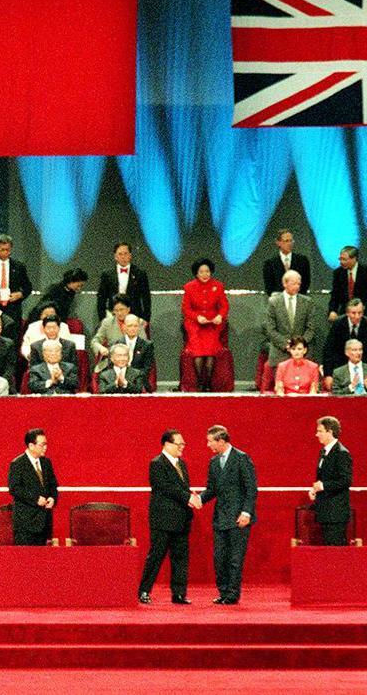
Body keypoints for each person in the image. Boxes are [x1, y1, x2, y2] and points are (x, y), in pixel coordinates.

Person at [138, 429, 198, 605]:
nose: (182, 447)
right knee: (156, 556)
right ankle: (143, 590)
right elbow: (166, 488)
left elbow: (182, 488)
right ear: (166, 444)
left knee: (180, 558)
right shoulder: (157, 463)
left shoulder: (182, 464)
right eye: (178, 444)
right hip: (163, 520)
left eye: (183, 444)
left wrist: (191, 496)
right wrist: (189, 497)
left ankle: (178, 594)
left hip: (181, 519)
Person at [199, 425, 257, 605]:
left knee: (235, 558)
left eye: (210, 441)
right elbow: (212, 490)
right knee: (219, 558)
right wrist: (198, 499)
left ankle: (232, 594)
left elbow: (251, 489)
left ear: (221, 441)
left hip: (239, 518)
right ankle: (223, 592)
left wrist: (246, 512)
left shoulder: (242, 458)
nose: (208, 445)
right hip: (220, 518)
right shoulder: (213, 462)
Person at [182, 259, 229, 392]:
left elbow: (224, 305)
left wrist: (220, 316)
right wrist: (197, 317)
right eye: (201, 272)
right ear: (196, 273)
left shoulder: (218, 286)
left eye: (207, 271)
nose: (205, 274)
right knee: (198, 353)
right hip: (195, 324)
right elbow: (186, 309)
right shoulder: (189, 287)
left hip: (212, 324)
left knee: (210, 353)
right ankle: (199, 383)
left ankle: (207, 384)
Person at [7, 428, 59, 546]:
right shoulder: (17, 464)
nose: (45, 447)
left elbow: (53, 484)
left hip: (44, 522)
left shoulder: (46, 462)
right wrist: (35, 499)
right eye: (42, 445)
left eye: (46, 444)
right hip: (25, 524)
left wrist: (52, 497)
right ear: (31, 445)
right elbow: (14, 488)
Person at [309, 416, 352, 545]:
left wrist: (323, 486)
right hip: (326, 513)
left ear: (330, 432)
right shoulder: (324, 452)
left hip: (335, 515)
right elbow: (324, 478)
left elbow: (346, 481)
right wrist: (315, 490)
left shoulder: (341, 453)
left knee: (335, 554)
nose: (317, 435)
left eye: (320, 431)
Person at [322, 298, 367, 390]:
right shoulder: (338, 324)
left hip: (363, 368)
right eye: (353, 313)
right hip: (340, 369)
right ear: (347, 313)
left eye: (360, 313)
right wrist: (328, 374)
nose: (357, 316)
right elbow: (329, 351)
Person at [264, 270, 316, 370]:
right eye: (294, 284)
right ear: (284, 283)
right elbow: (270, 329)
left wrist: (299, 346)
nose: (297, 287)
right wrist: (286, 344)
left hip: (303, 356)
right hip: (280, 354)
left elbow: (311, 328)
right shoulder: (273, 302)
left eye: (299, 284)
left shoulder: (308, 302)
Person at [0, 234, 33, 321]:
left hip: (13, 308)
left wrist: (20, 294)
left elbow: (28, 287)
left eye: (7, 250)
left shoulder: (19, 266)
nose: (5, 252)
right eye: (2, 249)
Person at [327, 246, 367, 330]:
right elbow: (335, 295)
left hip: (364, 314)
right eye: (340, 259)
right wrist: (332, 310)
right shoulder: (338, 273)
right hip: (345, 315)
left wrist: (359, 312)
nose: (341, 262)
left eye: (344, 259)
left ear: (354, 259)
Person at [91, 294, 148, 373]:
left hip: (134, 363)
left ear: (128, 309)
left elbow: (143, 344)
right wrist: (100, 348)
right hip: (112, 363)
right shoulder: (107, 323)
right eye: (116, 310)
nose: (119, 313)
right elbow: (95, 341)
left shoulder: (137, 321)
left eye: (122, 309)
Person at [97, 242, 151, 323]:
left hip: (135, 316)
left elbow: (146, 297)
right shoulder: (107, 275)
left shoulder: (140, 274)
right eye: (120, 254)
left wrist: (146, 318)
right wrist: (102, 318)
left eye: (125, 254)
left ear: (130, 255)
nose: (123, 257)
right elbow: (101, 298)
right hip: (113, 316)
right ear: (115, 256)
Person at [262, 229, 311, 297]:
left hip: (298, 299)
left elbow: (306, 282)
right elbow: (269, 286)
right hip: (278, 301)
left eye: (291, 240)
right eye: (286, 241)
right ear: (278, 243)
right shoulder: (270, 263)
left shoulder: (302, 260)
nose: (290, 243)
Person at [121, 314, 155, 392]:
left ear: (139, 327)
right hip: (120, 383)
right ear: (124, 327)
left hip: (140, 383)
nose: (132, 329)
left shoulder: (147, 345)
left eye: (135, 326)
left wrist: (132, 379)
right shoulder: (116, 344)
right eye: (130, 326)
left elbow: (147, 368)